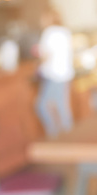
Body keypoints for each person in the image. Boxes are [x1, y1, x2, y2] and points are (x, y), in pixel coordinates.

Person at [35, 9, 74, 138]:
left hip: (54, 76)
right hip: (65, 75)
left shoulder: (49, 32)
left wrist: (37, 52)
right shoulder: (65, 31)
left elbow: (45, 56)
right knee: (62, 107)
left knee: (42, 106)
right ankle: (68, 137)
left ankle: (55, 136)